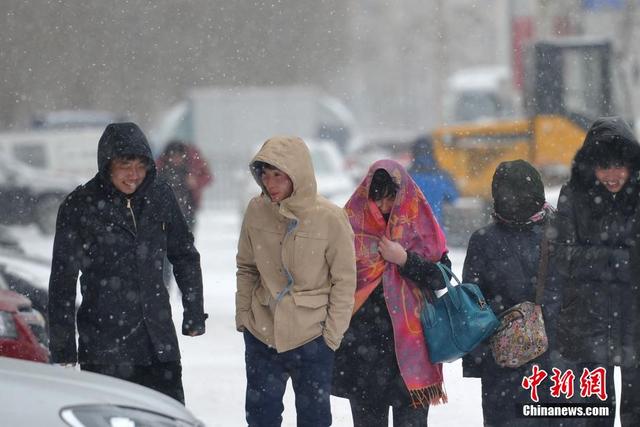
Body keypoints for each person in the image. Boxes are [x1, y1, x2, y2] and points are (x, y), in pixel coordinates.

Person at [48, 122, 207, 404]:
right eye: (125, 165)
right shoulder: (79, 205)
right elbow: (63, 280)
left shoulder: (160, 195)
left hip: (159, 344)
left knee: (168, 420)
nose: (134, 175)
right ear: (107, 164)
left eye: (140, 165)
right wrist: (63, 348)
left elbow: (184, 254)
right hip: (104, 349)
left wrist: (193, 311)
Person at [235, 135, 357, 427]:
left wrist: (331, 336)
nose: (270, 183)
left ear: (297, 175)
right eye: (265, 174)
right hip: (262, 332)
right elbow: (247, 267)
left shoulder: (330, 217)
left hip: (312, 335)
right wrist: (243, 317)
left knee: (314, 420)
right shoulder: (256, 211)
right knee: (260, 418)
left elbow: (344, 280)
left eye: (279, 175)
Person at [332, 159, 450, 427]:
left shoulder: (420, 226)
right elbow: (333, 279)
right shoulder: (349, 226)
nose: (384, 207)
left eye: (390, 198)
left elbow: (440, 277)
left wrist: (405, 259)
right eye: (377, 199)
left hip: (412, 349)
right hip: (362, 350)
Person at [549, 116, 640, 426]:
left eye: (620, 165)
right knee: (595, 414)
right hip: (589, 321)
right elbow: (562, 256)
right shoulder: (573, 195)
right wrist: (616, 259)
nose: (612, 174)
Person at [462, 160, 557, 426]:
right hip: (552, 359)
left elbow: (473, 307)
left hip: (504, 361)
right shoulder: (559, 233)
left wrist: (479, 360)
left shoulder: (483, 239)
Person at [156, 140, 213, 230]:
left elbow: (208, 177)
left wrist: (195, 181)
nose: (176, 160)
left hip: (188, 208)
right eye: (173, 157)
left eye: (178, 156)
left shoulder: (193, 163)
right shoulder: (160, 167)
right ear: (168, 157)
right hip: (166, 211)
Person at [408, 135, 458, 227]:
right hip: (436, 228)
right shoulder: (441, 176)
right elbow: (453, 197)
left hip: (413, 230)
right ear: (432, 151)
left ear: (414, 153)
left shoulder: (407, 177)